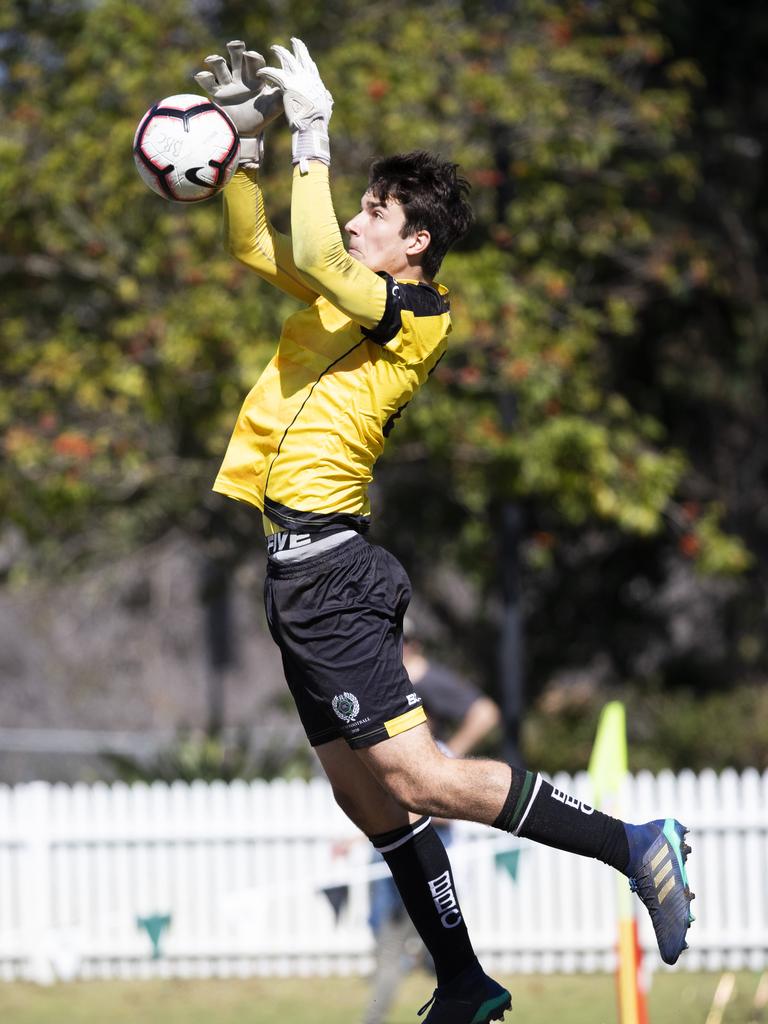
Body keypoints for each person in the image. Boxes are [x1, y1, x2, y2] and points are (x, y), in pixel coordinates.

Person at [194, 37, 695, 1024]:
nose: (352, 216)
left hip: (334, 570)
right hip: (294, 580)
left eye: (374, 211)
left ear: (412, 242)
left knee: (419, 776)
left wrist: (316, 130)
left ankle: (636, 842)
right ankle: (464, 979)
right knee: (364, 796)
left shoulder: (414, 313)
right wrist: (244, 144)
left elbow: (327, 258)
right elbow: (257, 246)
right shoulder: (345, 303)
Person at [363, 618, 501, 1024]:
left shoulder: (422, 677)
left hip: (427, 854)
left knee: (416, 951)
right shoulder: (378, 679)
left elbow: (485, 712)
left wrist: (449, 758)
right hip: (390, 852)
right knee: (394, 945)